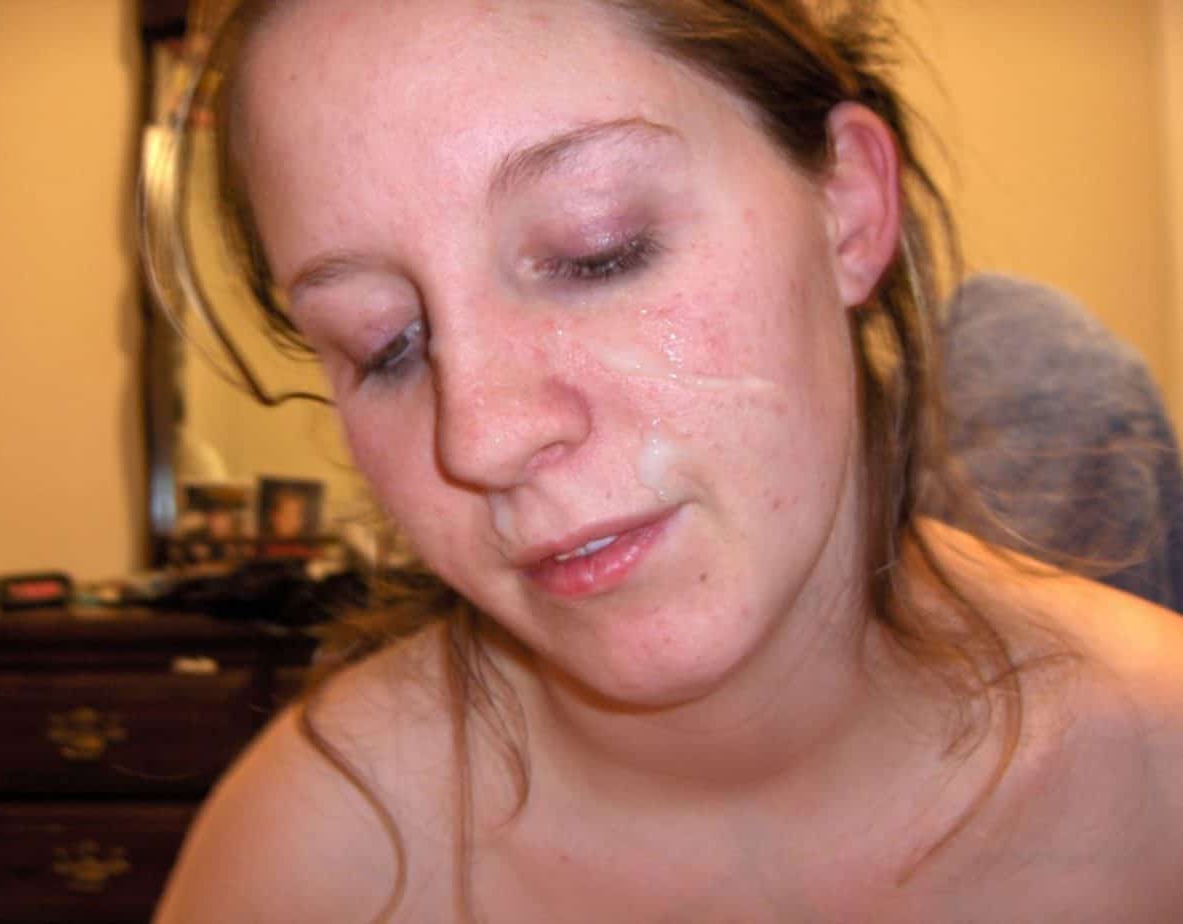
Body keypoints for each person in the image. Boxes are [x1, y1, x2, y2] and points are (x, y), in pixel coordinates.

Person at [153, 1, 1183, 920]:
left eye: (598, 251)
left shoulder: (1159, 774)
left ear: (850, 210)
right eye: (387, 345)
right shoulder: (310, 858)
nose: (482, 438)